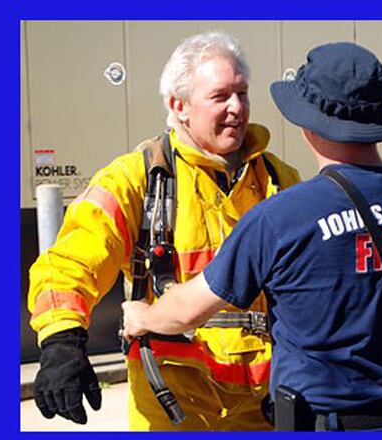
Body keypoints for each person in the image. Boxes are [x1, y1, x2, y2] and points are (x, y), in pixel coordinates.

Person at [122, 42, 382, 431]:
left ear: (307, 124)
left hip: (330, 423)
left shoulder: (283, 216)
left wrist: (143, 316)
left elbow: (189, 311)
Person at [27, 31, 301, 431]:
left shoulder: (278, 180)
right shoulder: (135, 179)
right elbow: (69, 262)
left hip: (264, 407)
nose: (237, 108)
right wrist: (61, 340)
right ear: (179, 106)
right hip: (172, 407)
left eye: (242, 94)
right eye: (220, 96)